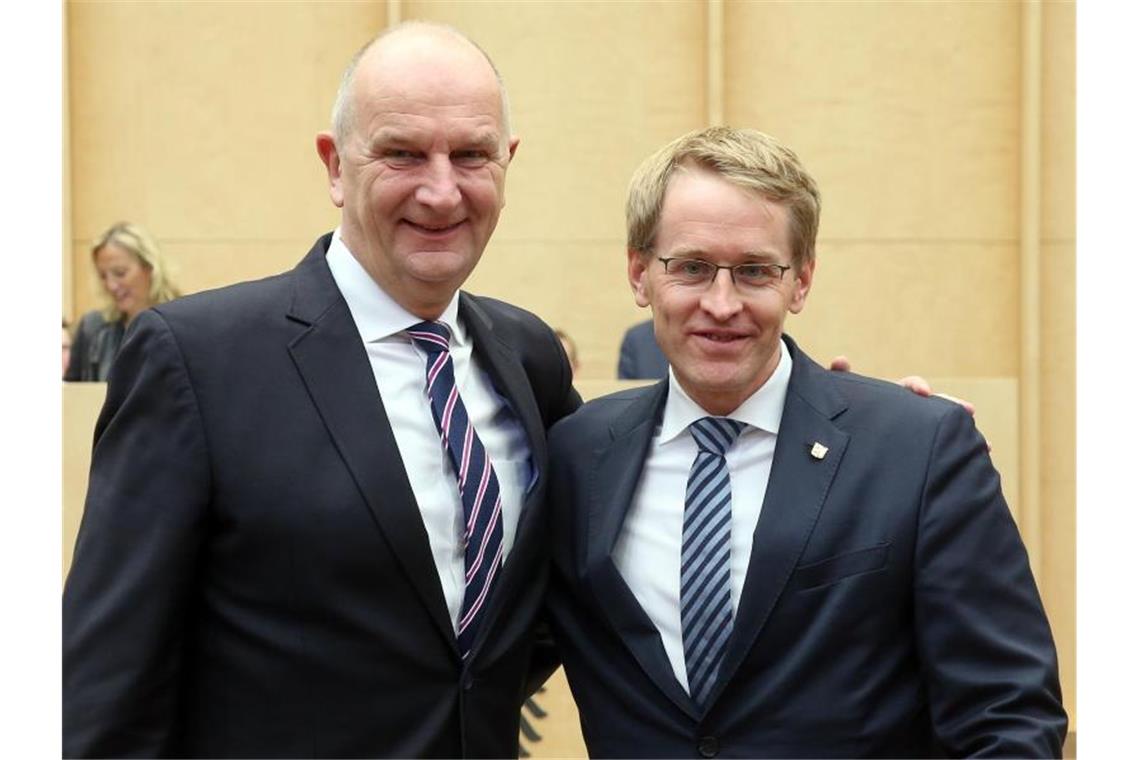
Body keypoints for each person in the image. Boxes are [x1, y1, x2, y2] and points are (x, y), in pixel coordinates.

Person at [63, 22, 579, 758]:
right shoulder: (196, 362)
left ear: (507, 162)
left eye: (471, 155)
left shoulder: (529, 359)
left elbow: (527, 616)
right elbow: (108, 684)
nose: (442, 190)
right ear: (335, 166)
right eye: (402, 154)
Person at [544, 127, 1067, 757]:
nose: (721, 302)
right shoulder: (575, 458)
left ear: (802, 280)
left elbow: (1006, 714)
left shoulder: (918, 449)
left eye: (756, 271)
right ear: (639, 273)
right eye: (690, 267)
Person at [64, 222, 181, 382]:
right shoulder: (91, 328)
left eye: (120, 273)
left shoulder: (183, 325)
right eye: (103, 276)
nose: (111, 285)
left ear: (150, 267)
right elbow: (73, 398)